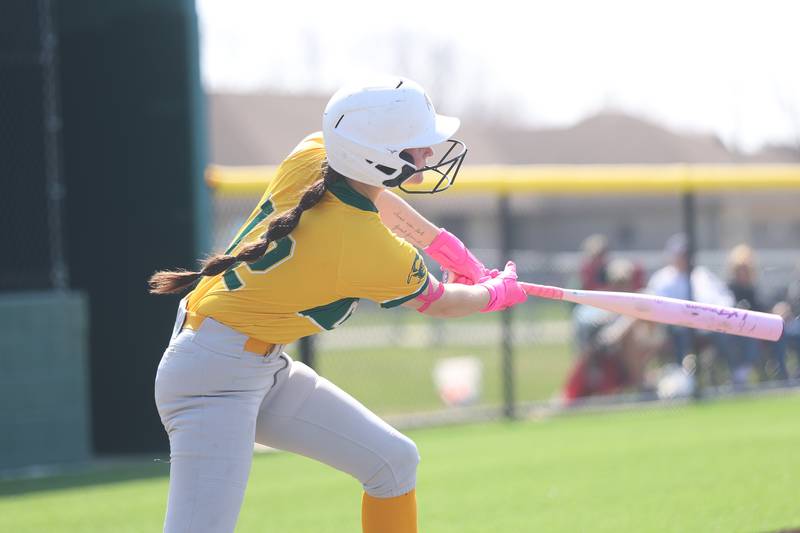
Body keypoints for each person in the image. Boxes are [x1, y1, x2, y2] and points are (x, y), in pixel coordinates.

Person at [148, 77, 527, 533]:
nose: (429, 154)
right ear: (374, 156)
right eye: (416, 146)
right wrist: (494, 294)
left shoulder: (314, 154)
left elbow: (376, 198)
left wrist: (450, 251)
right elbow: (442, 302)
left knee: (393, 462)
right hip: (215, 377)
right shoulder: (365, 246)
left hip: (248, 363)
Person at [563, 258, 664, 403]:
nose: (621, 288)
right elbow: (589, 330)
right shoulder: (597, 303)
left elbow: (656, 338)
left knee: (632, 322)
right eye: (617, 283)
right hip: (603, 357)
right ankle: (641, 385)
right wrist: (612, 316)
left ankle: (642, 384)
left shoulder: (638, 302)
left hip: (636, 352)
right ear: (609, 284)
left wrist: (624, 322)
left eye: (625, 283)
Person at [645, 233, 735, 376]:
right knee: (680, 338)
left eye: (686, 254)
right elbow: (655, 304)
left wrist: (721, 314)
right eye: (681, 254)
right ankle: (684, 377)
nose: (685, 258)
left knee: (728, 335)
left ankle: (733, 374)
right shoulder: (663, 278)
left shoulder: (702, 274)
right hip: (677, 328)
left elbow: (723, 296)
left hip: (708, 326)